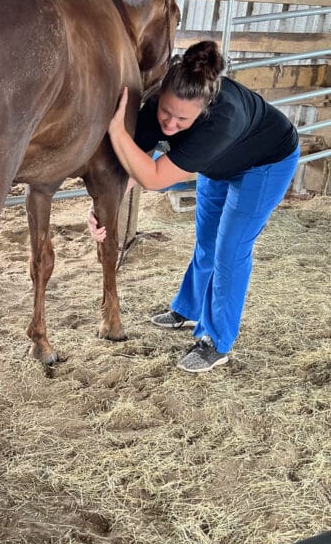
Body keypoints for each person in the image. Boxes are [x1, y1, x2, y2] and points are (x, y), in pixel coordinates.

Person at [92, 39, 300, 373]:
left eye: (182, 120)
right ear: (161, 96)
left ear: (203, 111)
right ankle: (187, 309)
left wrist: (116, 129)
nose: (170, 125)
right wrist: (104, 206)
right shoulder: (156, 109)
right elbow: (139, 161)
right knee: (205, 242)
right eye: (166, 112)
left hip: (265, 164)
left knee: (230, 250)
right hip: (217, 165)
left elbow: (155, 178)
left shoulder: (224, 118)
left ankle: (215, 341)